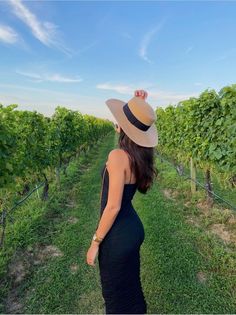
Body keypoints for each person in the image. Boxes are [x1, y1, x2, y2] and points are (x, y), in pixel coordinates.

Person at [86, 89, 158, 314]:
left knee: (115, 294)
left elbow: (113, 206)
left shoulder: (118, 156)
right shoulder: (139, 156)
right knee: (130, 285)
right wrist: (139, 104)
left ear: (122, 127)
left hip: (117, 235)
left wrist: (95, 242)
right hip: (132, 229)